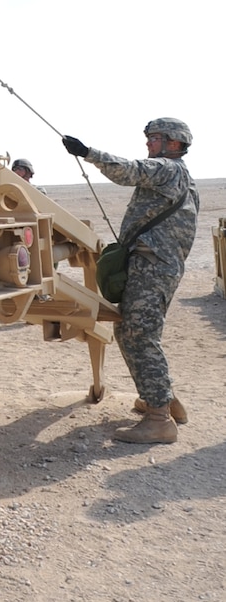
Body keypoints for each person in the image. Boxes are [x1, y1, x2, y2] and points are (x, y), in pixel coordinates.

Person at [61, 119, 198, 444]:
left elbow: (130, 170)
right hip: (155, 265)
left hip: (153, 266)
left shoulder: (169, 169)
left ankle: (159, 419)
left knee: (137, 334)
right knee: (137, 331)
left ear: (174, 144)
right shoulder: (180, 175)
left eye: (156, 138)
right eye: (149, 138)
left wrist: (88, 153)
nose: (149, 143)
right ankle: (163, 399)